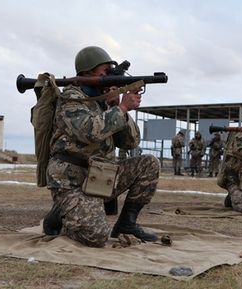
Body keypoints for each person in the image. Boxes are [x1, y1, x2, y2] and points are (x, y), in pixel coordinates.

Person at [43, 46, 160, 247]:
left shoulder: (103, 101)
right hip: (71, 181)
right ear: (87, 71)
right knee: (96, 236)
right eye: (105, 71)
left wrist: (116, 107)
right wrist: (122, 108)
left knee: (149, 164)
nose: (109, 77)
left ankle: (126, 224)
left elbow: (131, 142)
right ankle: (61, 214)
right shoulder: (70, 98)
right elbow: (89, 132)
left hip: (99, 176)